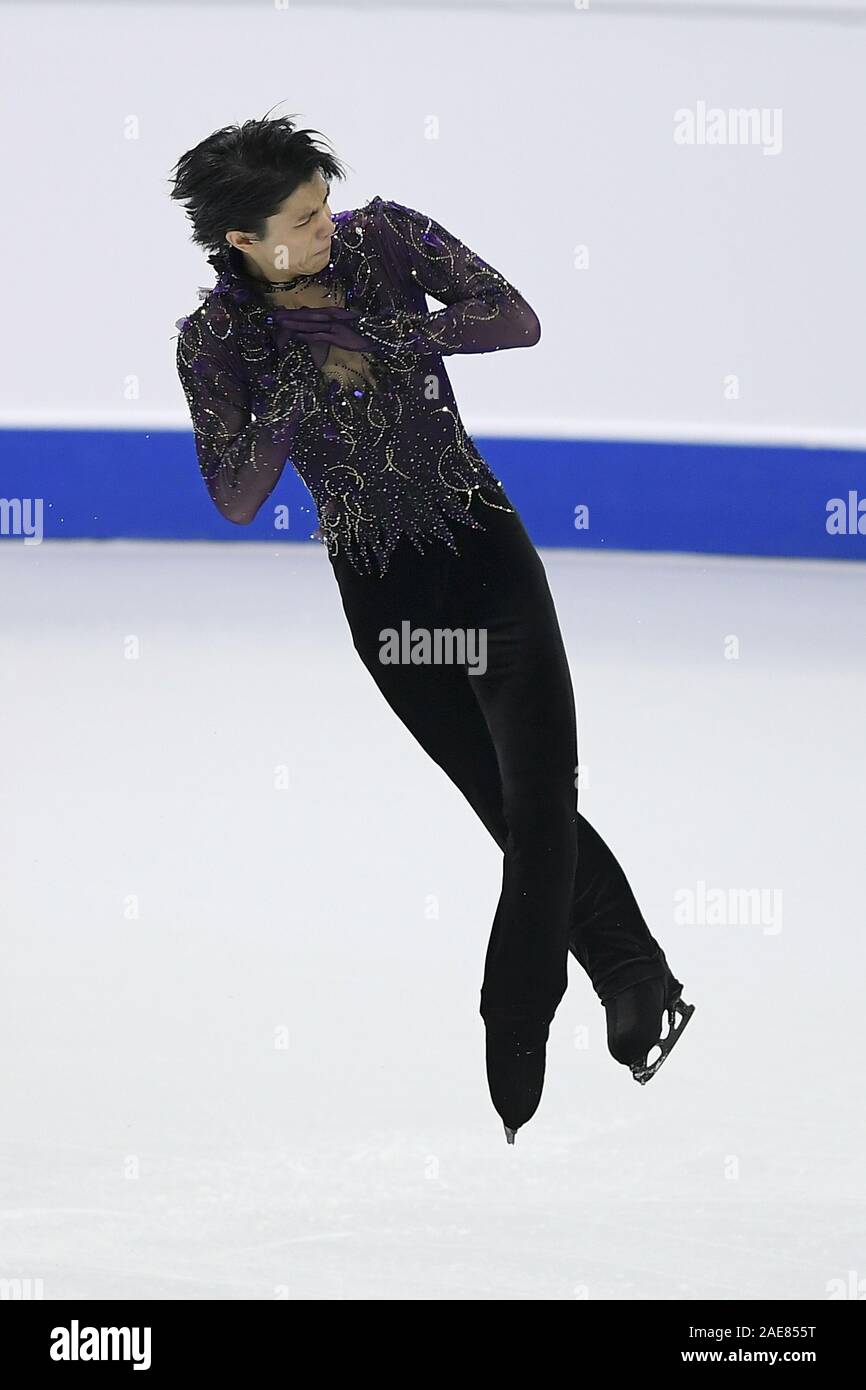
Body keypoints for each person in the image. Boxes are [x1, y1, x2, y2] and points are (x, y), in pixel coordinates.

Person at [169, 110, 694, 1143]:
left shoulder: (383, 240)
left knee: (542, 793)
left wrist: (390, 332)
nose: (327, 226)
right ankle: (638, 972)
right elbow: (234, 491)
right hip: (383, 592)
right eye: (303, 219)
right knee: (502, 805)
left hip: (482, 547)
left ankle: (523, 1008)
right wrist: (294, 381)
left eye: (323, 205)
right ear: (242, 238)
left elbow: (512, 317)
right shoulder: (217, 341)